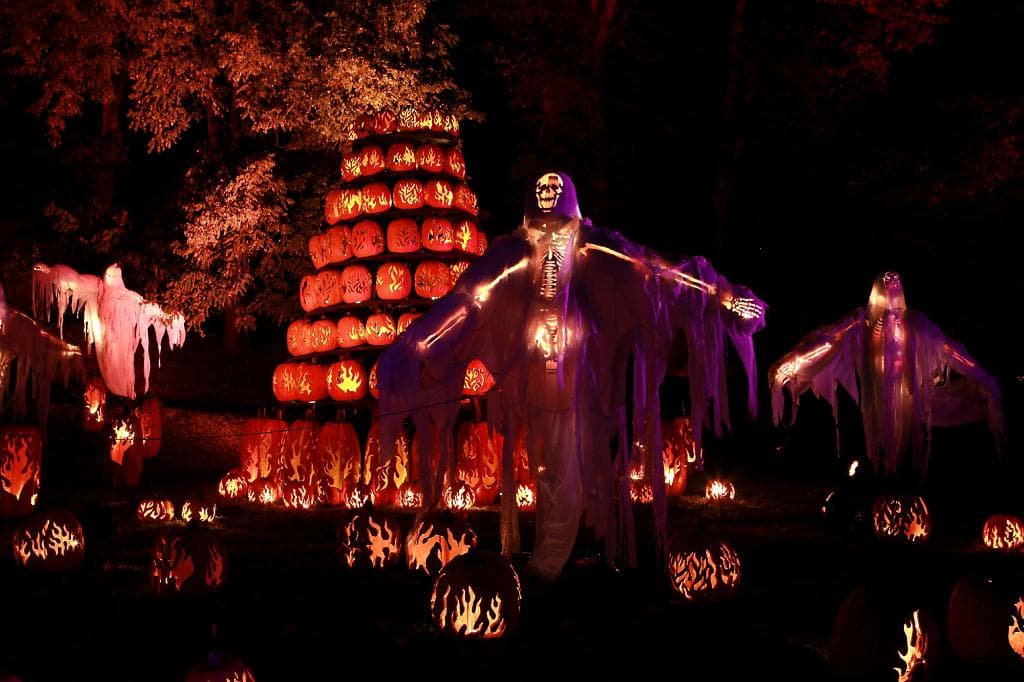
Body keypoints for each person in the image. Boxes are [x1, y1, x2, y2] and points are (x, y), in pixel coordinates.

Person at [378, 171, 766, 580]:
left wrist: (723, 295)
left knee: (577, 456)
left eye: (554, 190)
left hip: (580, 377)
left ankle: (561, 553)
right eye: (541, 190)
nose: (547, 196)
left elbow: (659, 272)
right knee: (547, 464)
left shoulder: (595, 247)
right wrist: (416, 344)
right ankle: (562, 546)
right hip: (537, 378)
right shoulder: (513, 254)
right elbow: (467, 300)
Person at [770, 271, 1003, 480]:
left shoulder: (915, 323)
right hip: (874, 391)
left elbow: (945, 348)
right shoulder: (860, 322)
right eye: (886, 290)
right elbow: (828, 341)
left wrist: (979, 375)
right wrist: (792, 364)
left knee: (905, 436)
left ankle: (901, 478)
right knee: (875, 435)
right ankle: (878, 476)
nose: (891, 297)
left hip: (906, 391)